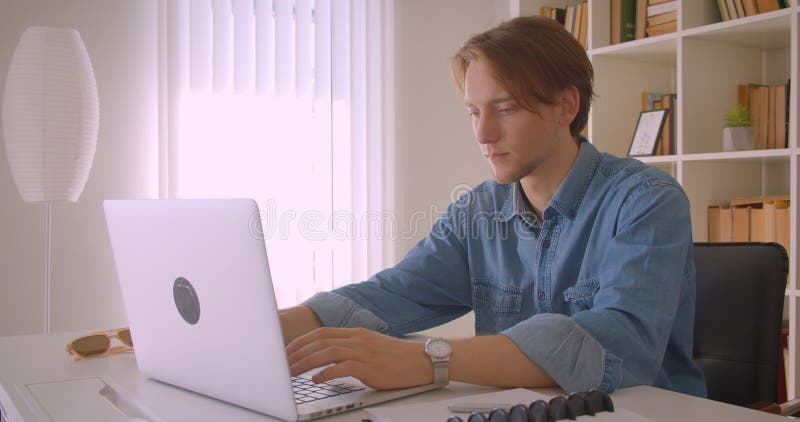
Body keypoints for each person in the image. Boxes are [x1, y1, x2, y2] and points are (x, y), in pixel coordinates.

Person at [280, 16, 707, 396]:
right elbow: (389, 294)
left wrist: (430, 360)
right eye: (473, 112)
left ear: (566, 106)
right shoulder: (477, 211)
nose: (483, 134)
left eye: (504, 109)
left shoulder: (646, 199)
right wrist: (256, 331)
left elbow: (618, 343)